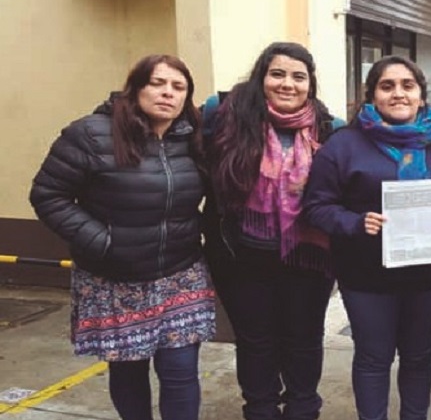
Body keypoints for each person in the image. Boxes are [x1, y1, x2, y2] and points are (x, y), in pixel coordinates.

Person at [29, 55, 215, 420]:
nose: (168, 94)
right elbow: (48, 195)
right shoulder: (90, 133)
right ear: (136, 88)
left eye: (179, 88)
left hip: (180, 273)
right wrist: (102, 242)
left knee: (180, 372)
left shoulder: (192, 139)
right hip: (115, 277)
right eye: (157, 83)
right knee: (129, 371)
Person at [303, 55, 431, 420]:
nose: (398, 94)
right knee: (373, 358)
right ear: (372, 95)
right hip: (367, 276)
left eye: (407, 86)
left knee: (419, 357)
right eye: (387, 86)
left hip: (430, 273)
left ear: (421, 95)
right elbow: (316, 207)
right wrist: (356, 222)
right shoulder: (344, 145)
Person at [203, 42, 342, 420]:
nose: (288, 84)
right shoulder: (224, 115)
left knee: (304, 340)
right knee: (255, 343)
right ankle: (261, 410)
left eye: (298, 76)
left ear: (310, 84)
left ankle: (302, 409)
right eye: (277, 73)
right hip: (241, 256)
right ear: (261, 76)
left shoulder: (331, 128)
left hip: (308, 257)